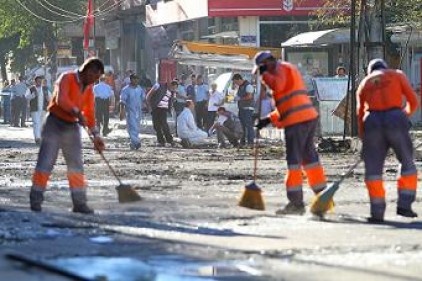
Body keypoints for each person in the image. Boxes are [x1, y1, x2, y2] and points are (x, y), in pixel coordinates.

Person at [254, 51, 328, 215]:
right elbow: (288, 103)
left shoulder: (278, 71)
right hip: (307, 117)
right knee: (309, 159)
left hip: (296, 122)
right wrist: (268, 120)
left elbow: (278, 86)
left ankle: (296, 204)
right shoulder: (288, 68)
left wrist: (265, 75)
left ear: (267, 63)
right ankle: (323, 196)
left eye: (262, 68)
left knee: (294, 162)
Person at [29, 57, 105, 214]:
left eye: (97, 78)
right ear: (86, 71)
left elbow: (90, 113)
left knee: (76, 165)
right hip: (54, 124)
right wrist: (77, 112)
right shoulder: (67, 78)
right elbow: (61, 99)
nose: (94, 81)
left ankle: (79, 203)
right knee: (46, 162)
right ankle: (36, 199)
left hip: (71, 127)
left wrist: (96, 135)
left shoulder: (89, 88)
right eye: (94, 77)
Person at [357, 59, 419, 223]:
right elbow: (413, 100)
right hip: (395, 117)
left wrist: (364, 138)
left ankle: (377, 213)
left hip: (372, 121)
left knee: (373, 171)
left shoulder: (365, 83)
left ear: (370, 71)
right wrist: (403, 116)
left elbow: (360, 113)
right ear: (385, 67)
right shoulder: (397, 75)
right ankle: (404, 205)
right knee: (407, 163)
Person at [146, 80, 176, 147]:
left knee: (164, 124)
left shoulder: (172, 92)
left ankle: (170, 140)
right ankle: (161, 141)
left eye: (174, 88)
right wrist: (149, 107)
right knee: (156, 125)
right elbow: (148, 96)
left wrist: (170, 109)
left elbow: (171, 102)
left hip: (163, 110)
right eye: (173, 87)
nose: (173, 89)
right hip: (156, 108)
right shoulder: (159, 86)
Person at [120, 74, 145, 150]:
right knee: (131, 127)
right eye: (134, 79)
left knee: (136, 127)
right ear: (131, 80)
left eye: (137, 79)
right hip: (130, 111)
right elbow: (122, 101)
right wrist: (122, 111)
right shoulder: (125, 89)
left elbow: (143, 98)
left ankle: (132, 143)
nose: (136, 80)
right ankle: (136, 142)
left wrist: (147, 106)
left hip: (138, 111)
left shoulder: (139, 88)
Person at [26, 75, 51, 144]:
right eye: (38, 81)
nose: (39, 82)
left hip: (43, 109)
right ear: (35, 82)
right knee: (36, 123)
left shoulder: (45, 89)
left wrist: (48, 98)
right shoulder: (31, 88)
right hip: (35, 109)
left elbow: (51, 98)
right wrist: (33, 95)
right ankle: (37, 138)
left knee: (42, 124)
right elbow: (26, 97)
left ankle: (41, 137)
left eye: (40, 81)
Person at [232, 73, 255, 147]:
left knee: (249, 126)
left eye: (236, 82)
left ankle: (250, 142)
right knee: (242, 126)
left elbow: (249, 96)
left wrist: (240, 98)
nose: (236, 84)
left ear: (239, 79)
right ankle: (243, 142)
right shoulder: (240, 87)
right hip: (241, 109)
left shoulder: (248, 86)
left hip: (248, 109)